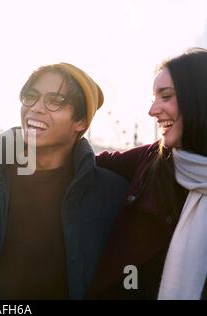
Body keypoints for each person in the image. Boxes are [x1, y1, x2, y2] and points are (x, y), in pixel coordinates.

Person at [0, 63, 128, 299]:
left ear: (81, 122)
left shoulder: (111, 195)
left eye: (55, 101)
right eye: (30, 97)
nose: (36, 109)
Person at [89, 48, 207, 300]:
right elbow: (72, 162)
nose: (152, 110)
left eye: (166, 96)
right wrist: (5, 150)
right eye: (154, 97)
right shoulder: (150, 159)